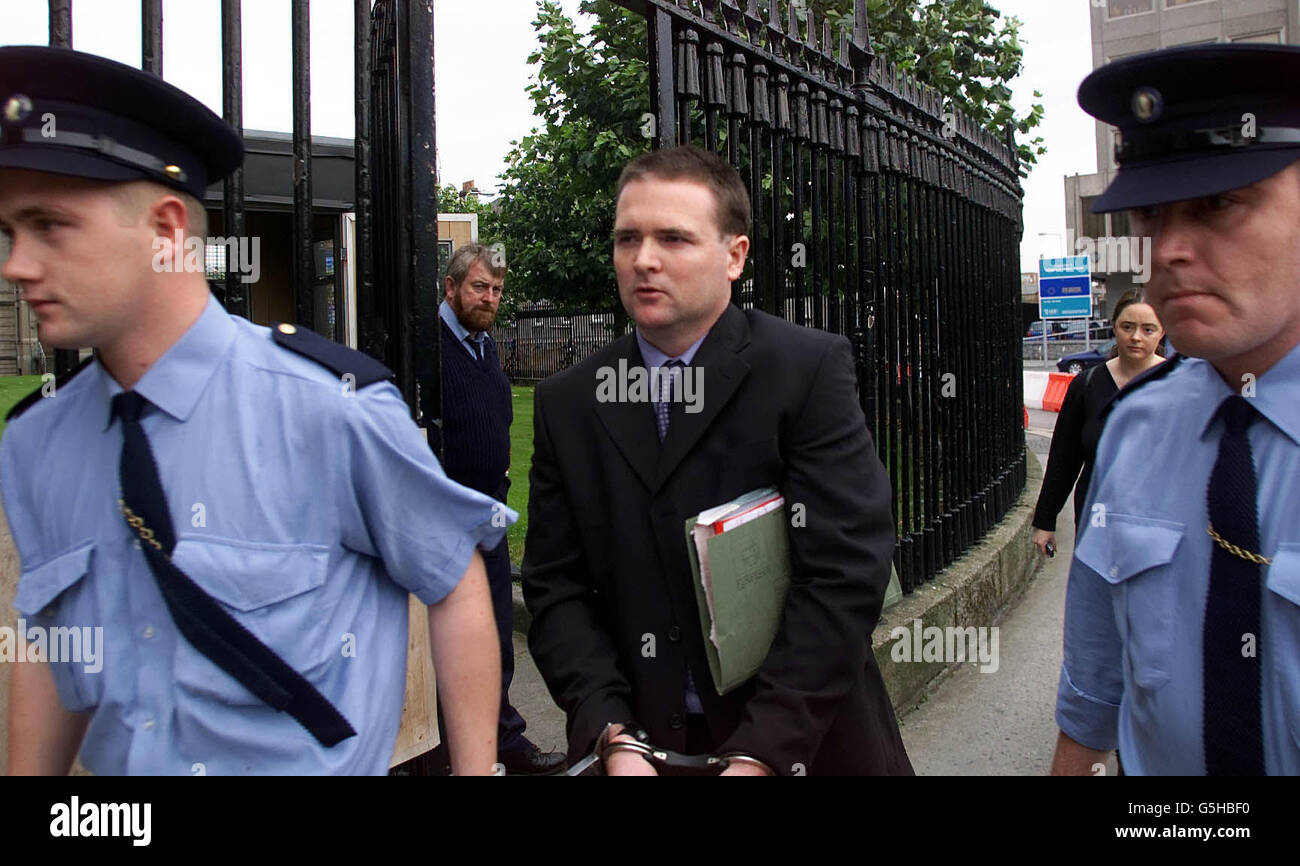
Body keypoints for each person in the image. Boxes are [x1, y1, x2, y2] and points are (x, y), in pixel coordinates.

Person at [0, 46, 510, 775]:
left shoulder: (328, 409)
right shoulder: (34, 445)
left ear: (168, 230)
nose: (16, 264)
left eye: (51, 226)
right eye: (10, 232)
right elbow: (52, 652)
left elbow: (454, 579)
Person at [522, 145, 913, 776]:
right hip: (641, 756)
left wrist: (760, 752)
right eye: (628, 238)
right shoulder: (568, 401)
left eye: (674, 239)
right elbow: (554, 586)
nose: (643, 260)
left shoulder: (804, 370)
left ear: (735, 256)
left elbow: (845, 572)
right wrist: (610, 733)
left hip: (802, 748)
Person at [1051, 43, 1300, 775]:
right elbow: (1094, 687)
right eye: (1154, 215)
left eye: (1219, 203)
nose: (1171, 250)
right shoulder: (1138, 426)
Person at [429, 243, 565, 775]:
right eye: (479, 287)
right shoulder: (431, 348)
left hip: (487, 520)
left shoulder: (483, 347)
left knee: (494, 643)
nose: (490, 298)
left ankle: (504, 742)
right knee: (450, 647)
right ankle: (451, 751)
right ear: (451, 287)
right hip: (443, 526)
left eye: (497, 291)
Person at [1031, 292, 1165, 557]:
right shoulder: (1087, 385)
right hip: (1097, 518)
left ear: (1162, 332)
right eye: (1127, 327)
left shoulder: (1181, 384)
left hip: (1160, 523)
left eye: (1148, 329)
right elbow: (1064, 459)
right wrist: (1045, 521)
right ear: (1114, 327)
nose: (1136, 336)